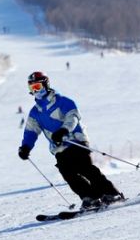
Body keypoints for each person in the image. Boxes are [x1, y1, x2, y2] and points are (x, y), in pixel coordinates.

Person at [17, 71, 122, 209]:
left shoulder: (63, 101)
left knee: (84, 168)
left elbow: (73, 117)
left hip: (75, 140)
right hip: (59, 147)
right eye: (32, 88)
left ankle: (111, 194)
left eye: (38, 87)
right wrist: (26, 147)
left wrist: (64, 130)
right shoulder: (35, 112)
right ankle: (90, 197)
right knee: (67, 172)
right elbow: (31, 131)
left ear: (45, 84)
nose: (35, 91)